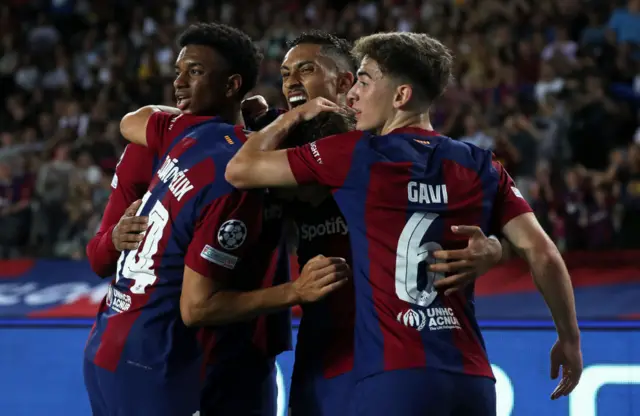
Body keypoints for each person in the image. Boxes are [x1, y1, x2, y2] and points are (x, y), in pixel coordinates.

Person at [225, 32, 583, 415]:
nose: (354, 95)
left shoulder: (354, 154)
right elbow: (543, 252)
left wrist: (493, 250)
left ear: (400, 96)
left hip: (389, 372)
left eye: (364, 82)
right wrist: (569, 339)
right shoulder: (481, 163)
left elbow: (240, 169)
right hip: (471, 374)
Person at [83, 22, 346, 416]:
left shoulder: (245, 133)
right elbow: (100, 258)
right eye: (179, 72)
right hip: (186, 345)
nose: (181, 84)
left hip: (247, 340)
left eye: (195, 71)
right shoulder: (170, 148)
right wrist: (115, 239)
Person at [259, 30, 504, 416]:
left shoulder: (390, 143)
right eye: (285, 73)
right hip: (324, 349)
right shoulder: (280, 138)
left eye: (305, 70)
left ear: (345, 81)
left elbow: (452, 213)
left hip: (393, 352)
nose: (290, 82)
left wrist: (494, 248)